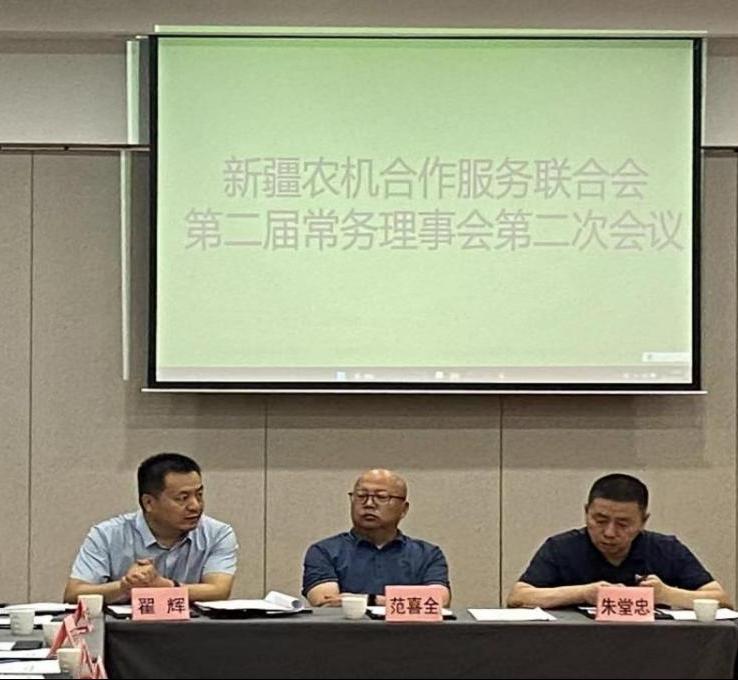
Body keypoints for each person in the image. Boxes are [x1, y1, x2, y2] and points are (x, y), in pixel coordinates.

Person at [507, 473, 731, 609]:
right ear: (586, 513)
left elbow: (721, 600)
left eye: (623, 524)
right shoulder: (561, 548)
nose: (609, 532)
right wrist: (583, 593)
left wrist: (667, 594)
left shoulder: (666, 549)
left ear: (643, 521)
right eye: (600, 520)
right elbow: (518, 597)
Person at [64, 452, 238, 604]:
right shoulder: (107, 535)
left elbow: (219, 590)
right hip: (126, 630)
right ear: (149, 502)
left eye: (199, 495)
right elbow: (74, 594)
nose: (195, 506)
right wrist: (126, 585)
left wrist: (165, 587)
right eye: (182, 498)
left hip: (192, 630)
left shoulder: (218, 534)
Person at [302, 468, 451, 607]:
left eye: (381, 497)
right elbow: (326, 602)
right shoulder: (324, 551)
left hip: (407, 628)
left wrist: (372, 600)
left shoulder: (427, 554)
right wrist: (402, 602)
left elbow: (438, 602)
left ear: (403, 509)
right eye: (361, 496)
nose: (369, 504)